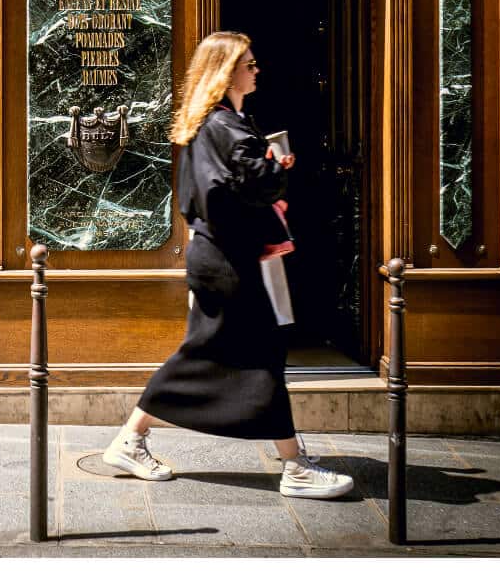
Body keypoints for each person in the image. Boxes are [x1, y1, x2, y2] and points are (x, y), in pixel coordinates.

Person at [102, 30, 354, 499]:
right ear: (227, 71)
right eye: (250, 64)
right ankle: (293, 467)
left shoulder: (219, 123)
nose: (257, 70)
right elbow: (236, 191)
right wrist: (277, 168)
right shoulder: (224, 127)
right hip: (229, 260)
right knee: (249, 355)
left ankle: (132, 439)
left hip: (222, 257)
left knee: (226, 353)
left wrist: (268, 167)